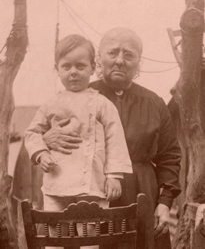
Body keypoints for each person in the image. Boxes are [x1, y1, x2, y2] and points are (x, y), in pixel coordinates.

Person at [41, 28, 181, 249]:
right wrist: (46, 139)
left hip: (141, 194)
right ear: (99, 59)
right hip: (89, 194)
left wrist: (164, 203)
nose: (119, 61)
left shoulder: (155, 103)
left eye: (128, 55)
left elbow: (170, 157)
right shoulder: (74, 97)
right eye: (113, 52)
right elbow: (41, 132)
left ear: (139, 63)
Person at [24, 34, 132, 249]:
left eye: (80, 66)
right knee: (54, 235)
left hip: (92, 184)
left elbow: (115, 139)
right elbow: (32, 133)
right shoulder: (50, 104)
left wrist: (113, 176)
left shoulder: (103, 104)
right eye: (66, 66)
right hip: (57, 184)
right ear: (57, 69)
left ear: (93, 67)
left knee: (90, 235)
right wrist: (41, 153)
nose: (73, 72)